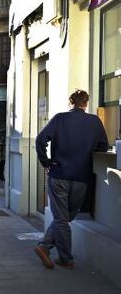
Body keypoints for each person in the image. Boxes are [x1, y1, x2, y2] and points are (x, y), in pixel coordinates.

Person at [35, 89, 108, 270]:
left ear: (71, 103)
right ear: (86, 103)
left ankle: (51, 250)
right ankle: (59, 255)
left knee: (62, 218)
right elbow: (103, 146)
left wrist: (46, 161)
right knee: (65, 218)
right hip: (81, 177)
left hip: (59, 174)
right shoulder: (94, 122)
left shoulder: (60, 118)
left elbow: (40, 139)